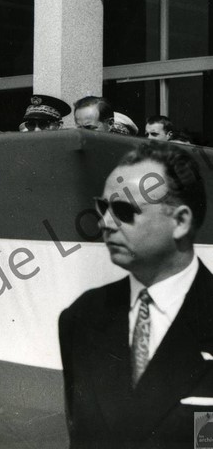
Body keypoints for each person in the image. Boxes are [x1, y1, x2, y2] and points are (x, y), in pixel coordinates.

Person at [59, 142, 210, 448]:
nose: (104, 223)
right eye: (103, 207)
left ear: (180, 221)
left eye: (124, 211)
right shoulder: (82, 317)